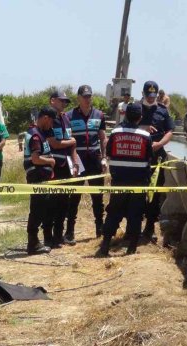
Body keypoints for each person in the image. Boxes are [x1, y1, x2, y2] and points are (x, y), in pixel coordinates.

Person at [96, 103, 153, 257]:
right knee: (136, 213)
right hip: (139, 182)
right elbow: (149, 159)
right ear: (140, 117)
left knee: (114, 211)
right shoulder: (146, 136)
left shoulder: (115, 133)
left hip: (119, 181)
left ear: (125, 115)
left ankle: (105, 245)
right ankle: (132, 248)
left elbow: (109, 153)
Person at [66, 85, 108, 239]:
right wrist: (73, 161)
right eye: (84, 96)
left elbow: (103, 137)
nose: (87, 99)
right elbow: (67, 140)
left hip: (95, 159)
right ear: (78, 97)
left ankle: (100, 228)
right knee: (74, 196)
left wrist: (104, 158)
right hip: (78, 160)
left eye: (89, 96)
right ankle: (69, 231)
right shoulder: (69, 116)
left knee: (97, 196)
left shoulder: (99, 115)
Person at [139, 81, 174, 242]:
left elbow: (169, 131)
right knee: (137, 192)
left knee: (154, 192)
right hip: (138, 156)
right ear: (143, 93)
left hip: (157, 156)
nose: (151, 98)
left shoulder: (162, 110)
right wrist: (144, 128)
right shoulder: (134, 108)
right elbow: (126, 127)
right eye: (148, 95)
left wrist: (159, 144)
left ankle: (150, 227)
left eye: (154, 95)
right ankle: (134, 226)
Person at [44, 91, 78, 247]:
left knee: (64, 203)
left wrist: (75, 162)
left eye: (66, 102)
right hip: (53, 167)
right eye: (61, 101)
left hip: (67, 166)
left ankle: (59, 235)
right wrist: (70, 141)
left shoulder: (66, 118)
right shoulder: (48, 119)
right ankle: (48, 237)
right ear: (52, 101)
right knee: (51, 203)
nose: (64, 104)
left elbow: (72, 145)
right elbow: (54, 143)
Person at [24, 107, 56, 255]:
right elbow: (36, 159)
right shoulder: (36, 136)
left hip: (41, 176)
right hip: (37, 176)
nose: (51, 125)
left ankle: (35, 242)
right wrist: (50, 162)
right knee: (37, 209)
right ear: (45, 118)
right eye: (50, 122)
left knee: (40, 209)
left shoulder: (39, 133)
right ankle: (33, 243)